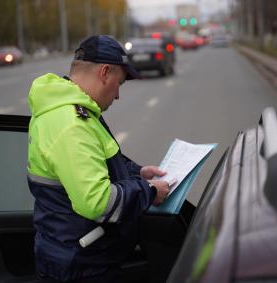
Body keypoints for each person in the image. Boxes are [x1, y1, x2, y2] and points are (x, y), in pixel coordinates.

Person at [27, 35, 170, 283]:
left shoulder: (71, 108)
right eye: (120, 83)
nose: (117, 96)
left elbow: (98, 161)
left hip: (75, 253)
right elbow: (97, 202)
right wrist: (148, 190)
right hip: (79, 266)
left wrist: (138, 172)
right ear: (104, 72)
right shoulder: (72, 123)